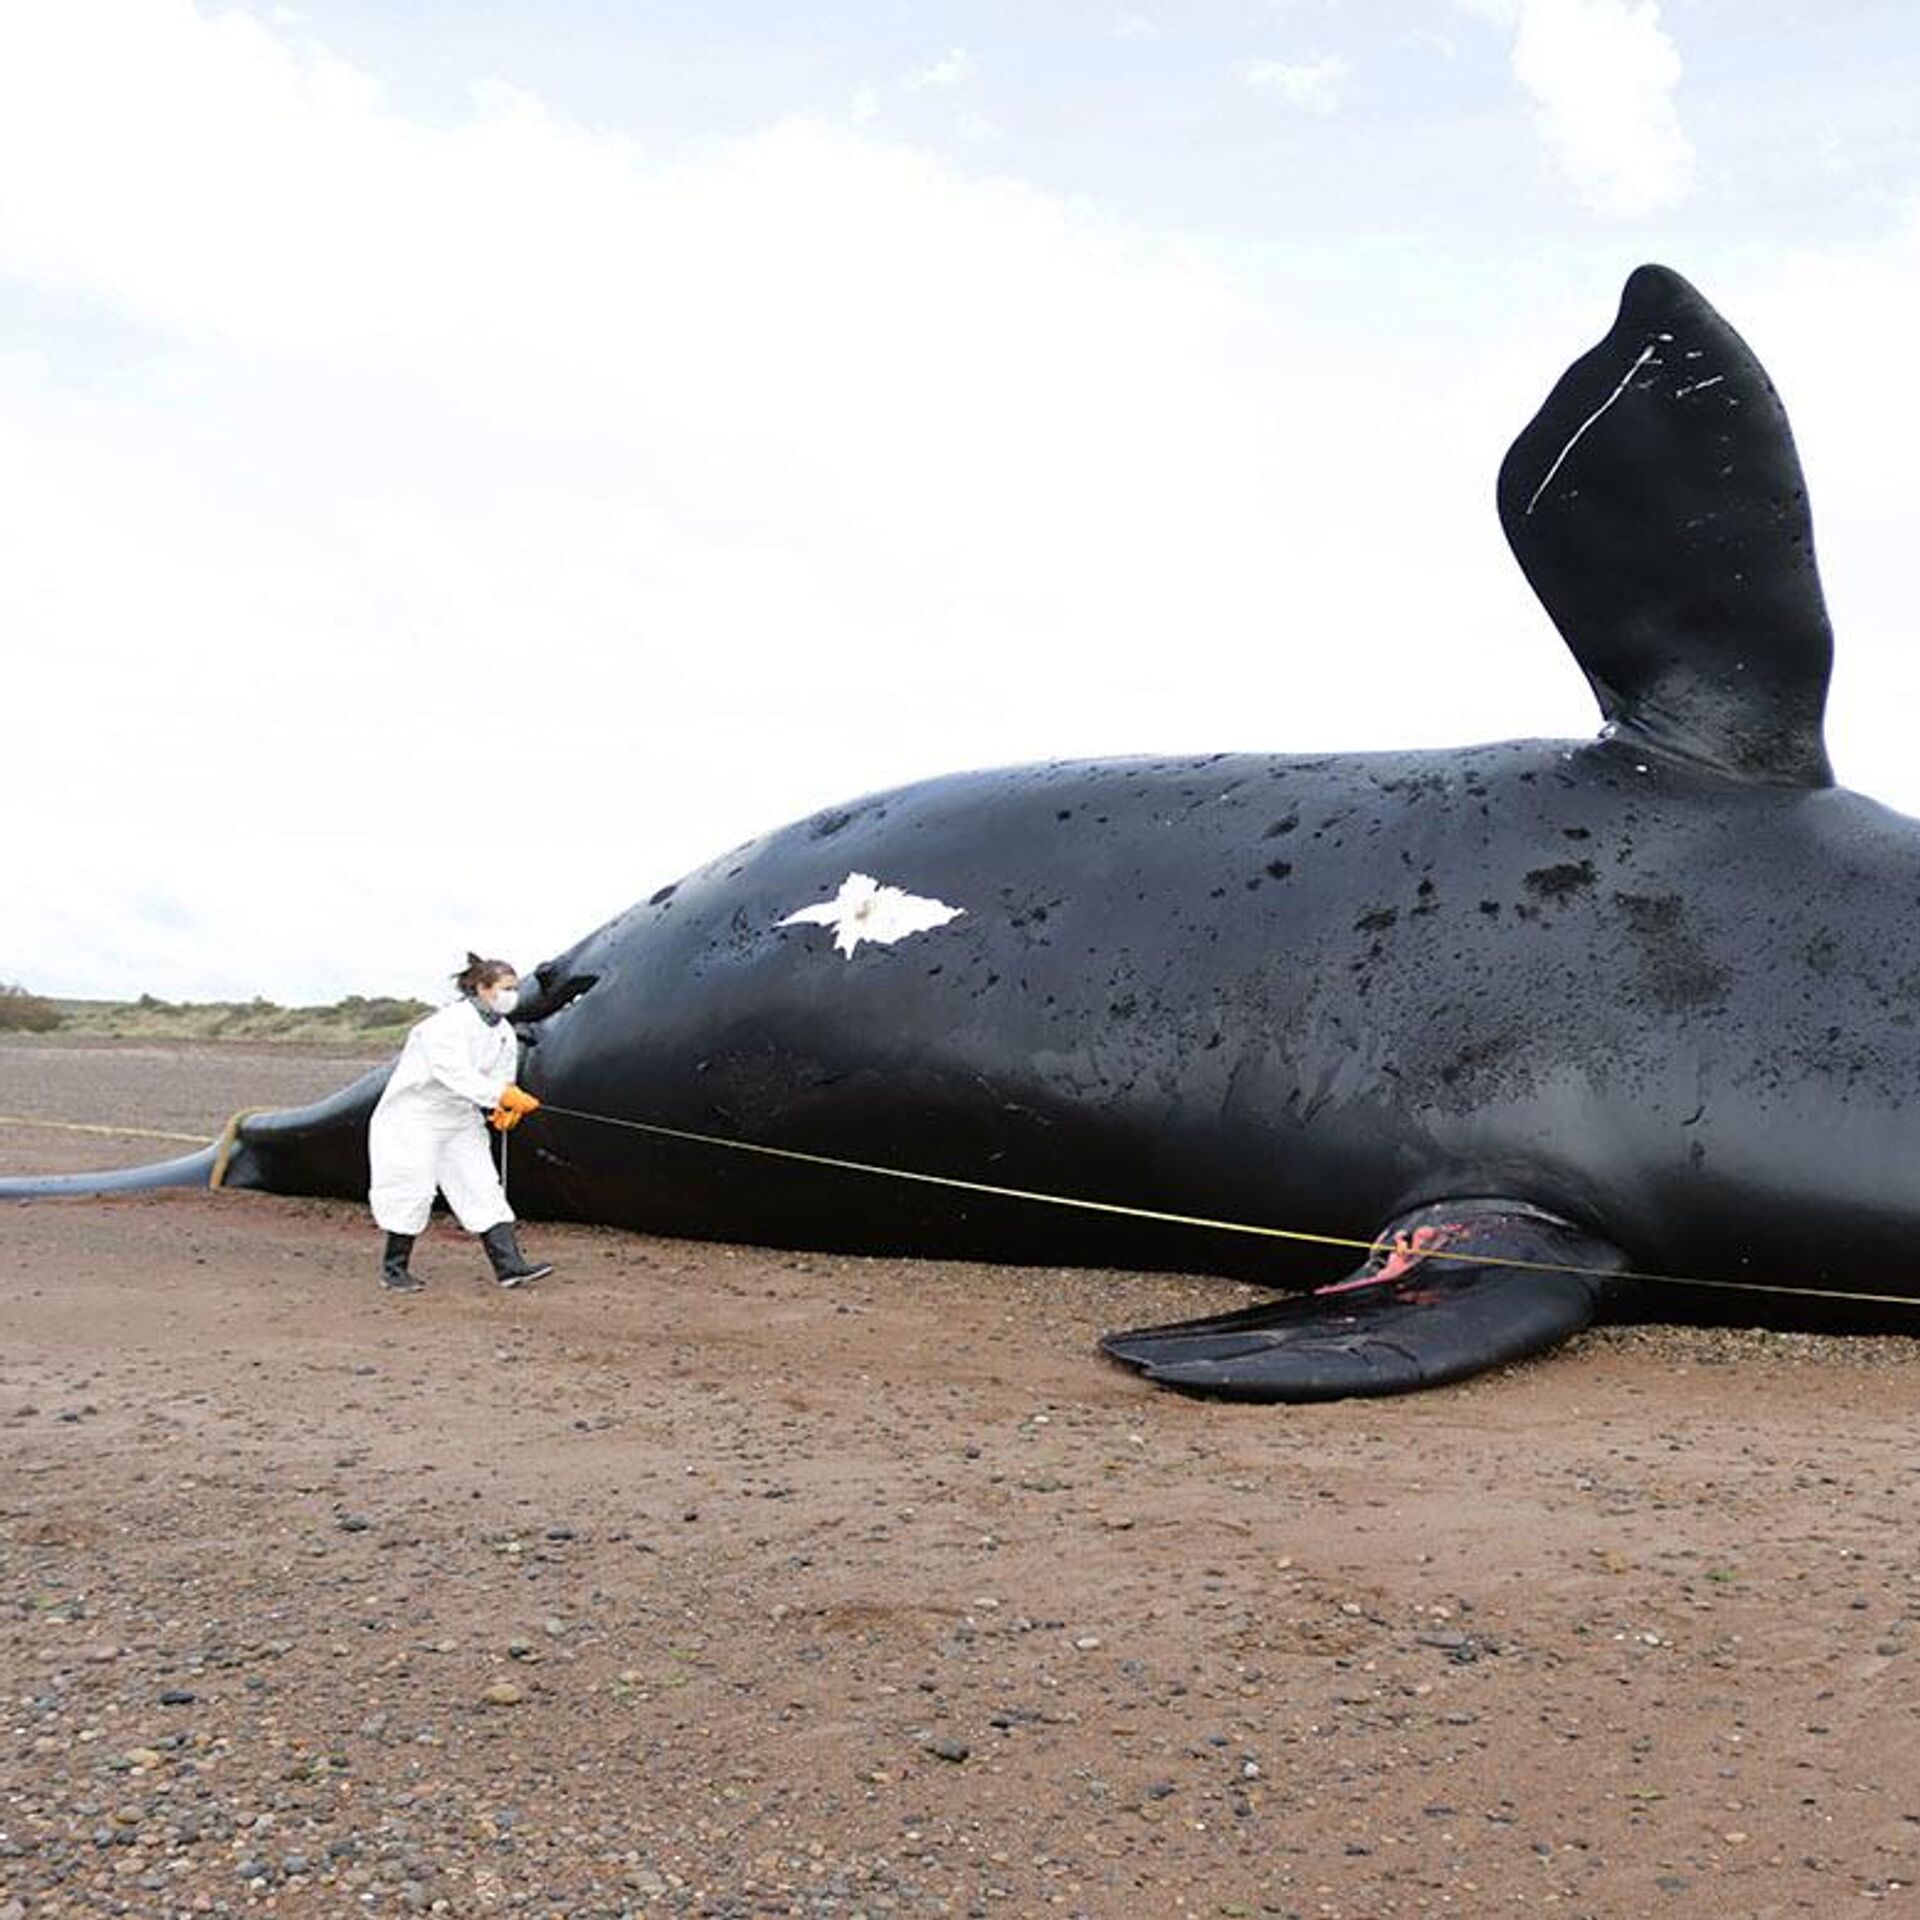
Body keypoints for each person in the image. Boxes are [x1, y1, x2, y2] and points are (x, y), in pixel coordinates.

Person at [368, 954, 553, 1292]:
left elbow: (501, 1077)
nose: (513, 995)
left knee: (482, 1185)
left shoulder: (503, 1034)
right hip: (416, 1116)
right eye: (506, 988)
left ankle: (509, 1267)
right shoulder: (446, 1024)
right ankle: (394, 1269)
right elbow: (454, 1072)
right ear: (482, 988)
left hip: (460, 1117)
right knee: (412, 1188)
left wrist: (504, 1104)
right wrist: (500, 1095)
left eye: (515, 988)